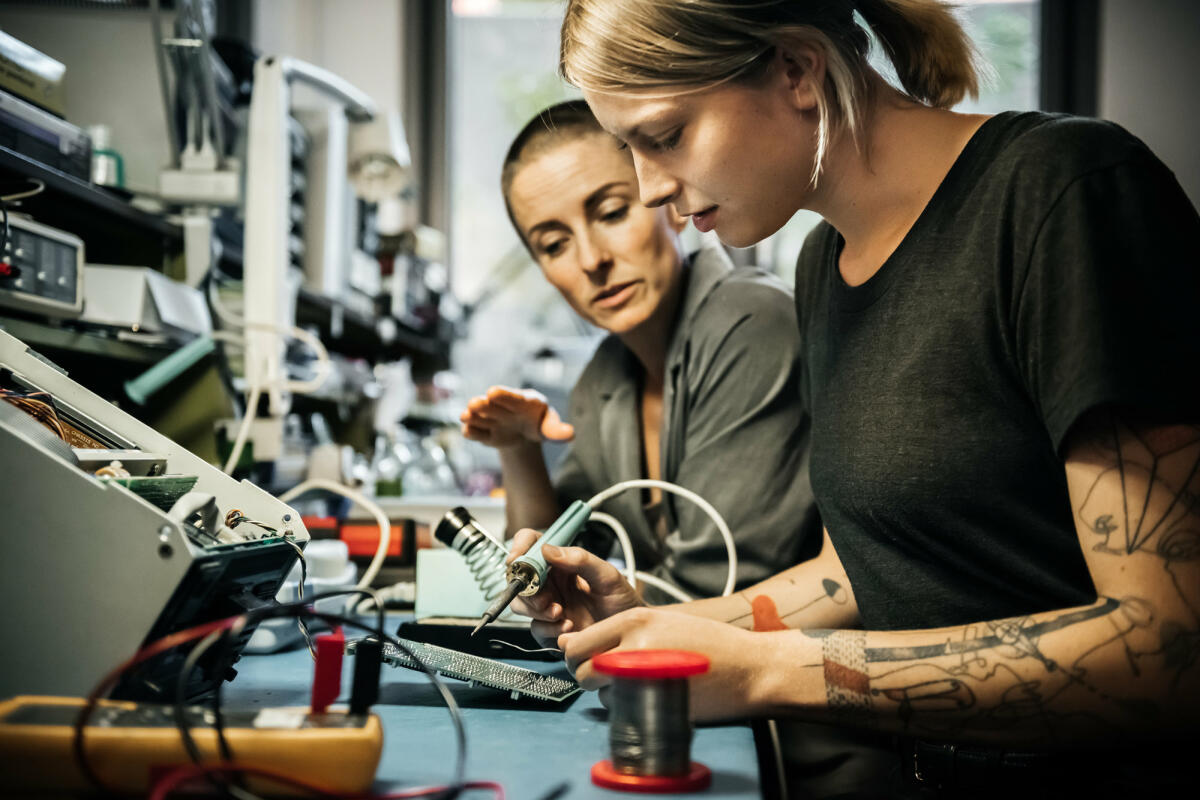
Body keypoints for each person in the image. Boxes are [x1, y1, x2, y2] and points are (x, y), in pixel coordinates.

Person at [509, 0, 1200, 795]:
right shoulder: (823, 268)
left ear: (797, 70)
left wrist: (774, 671)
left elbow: (1171, 650)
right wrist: (657, 626)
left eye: (664, 138)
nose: (652, 188)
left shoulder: (1062, 193)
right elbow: (856, 575)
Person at [461, 100, 822, 601]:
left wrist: (582, 607)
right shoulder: (604, 378)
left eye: (611, 213)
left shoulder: (752, 321)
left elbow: (719, 588)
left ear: (669, 201)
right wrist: (518, 449)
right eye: (554, 244)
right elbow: (541, 570)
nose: (591, 260)